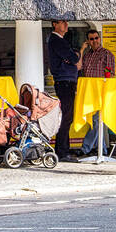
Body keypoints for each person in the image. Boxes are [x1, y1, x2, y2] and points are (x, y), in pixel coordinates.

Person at [78, 29, 116, 157]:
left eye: (96, 38)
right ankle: (103, 150)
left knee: (96, 121)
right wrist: (82, 50)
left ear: (100, 38)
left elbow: (110, 74)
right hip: (89, 93)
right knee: (95, 121)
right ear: (88, 41)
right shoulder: (87, 55)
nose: (94, 41)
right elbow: (80, 68)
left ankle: (85, 148)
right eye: (91, 39)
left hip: (101, 92)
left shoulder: (107, 54)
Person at [47, 20, 81, 162]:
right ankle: (62, 151)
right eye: (62, 22)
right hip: (64, 81)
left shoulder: (59, 40)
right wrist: (74, 55)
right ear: (55, 24)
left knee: (67, 116)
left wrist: (73, 56)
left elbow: (72, 58)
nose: (66, 25)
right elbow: (73, 58)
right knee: (66, 117)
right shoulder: (56, 40)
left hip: (66, 81)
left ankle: (63, 149)